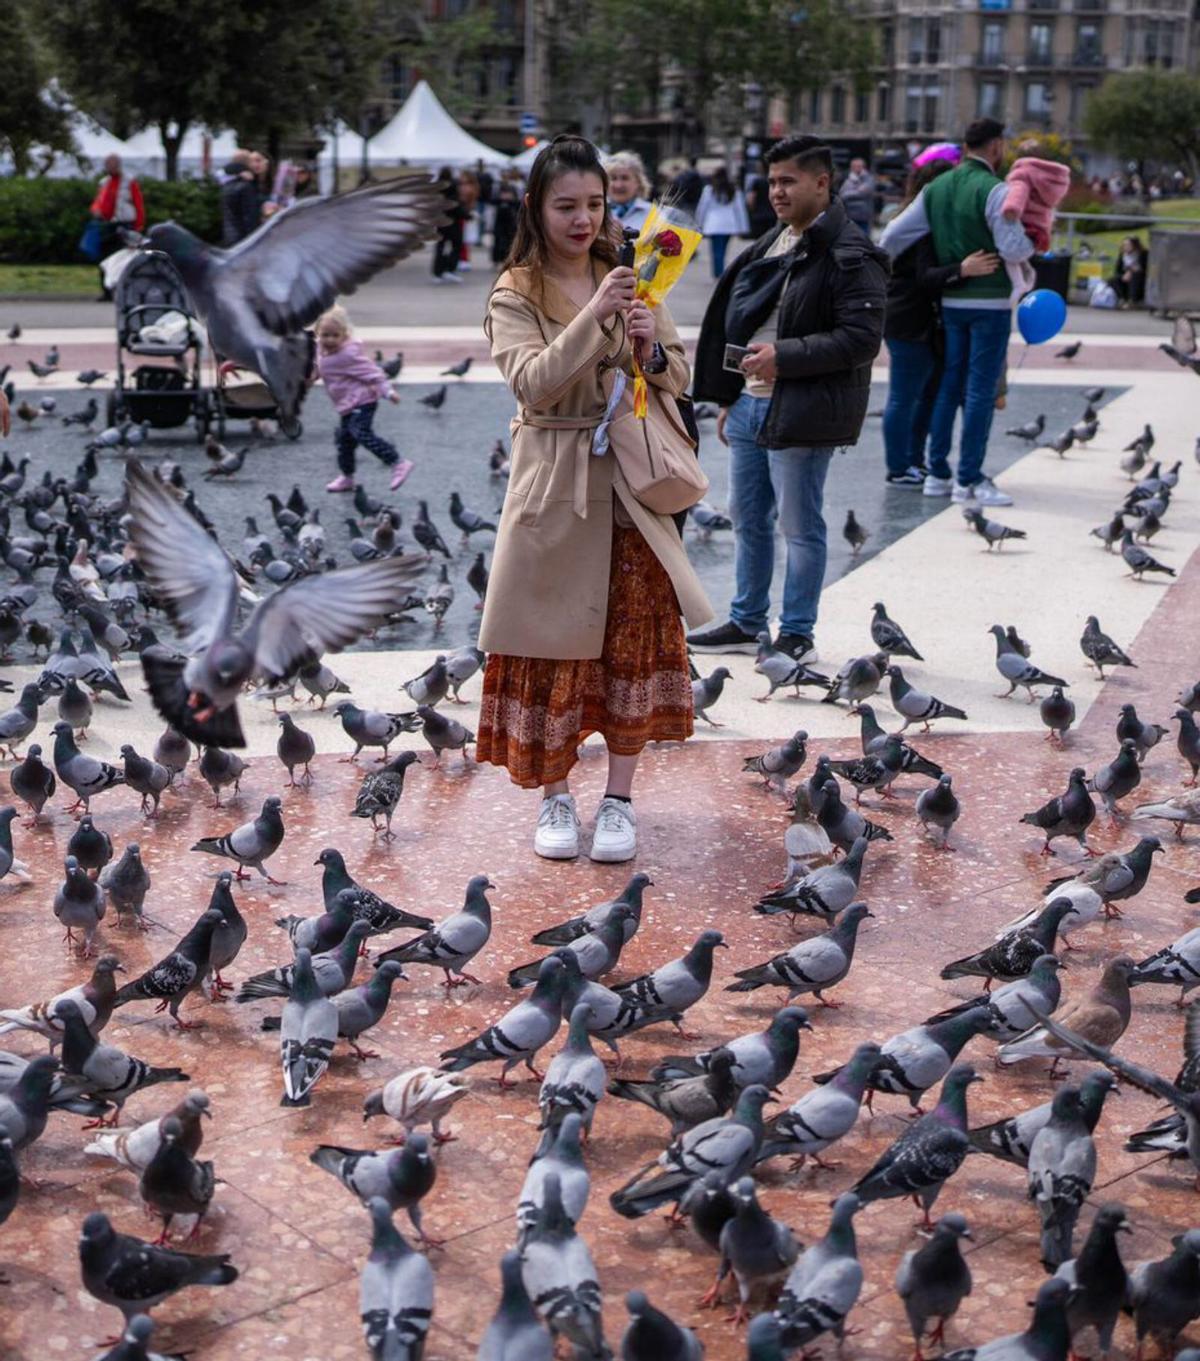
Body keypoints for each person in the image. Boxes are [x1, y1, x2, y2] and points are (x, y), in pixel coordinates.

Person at [477, 135, 711, 863]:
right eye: (566, 206)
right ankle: (554, 795)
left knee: (634, 636)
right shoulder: (514, 289)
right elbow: (532, 381)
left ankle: (618, 799)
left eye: (595, 204)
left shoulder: (633, 273)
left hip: (631, 485)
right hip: (554, 478)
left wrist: (649, 347)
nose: (583, 220)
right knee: (552, 642)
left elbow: (675, 374)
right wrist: (594, 317)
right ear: (535, 208)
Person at [687, 134, 889, 663]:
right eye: (772, 181)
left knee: (800, 525)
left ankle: (797, 631)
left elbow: (861, 340)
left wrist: (785, 356)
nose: (776, 191)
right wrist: (730, 395)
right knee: (747, 517)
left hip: (802, 405)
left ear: (822, 183)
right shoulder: (772, 242)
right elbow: (743, 320)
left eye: (788, 182)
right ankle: (748, 619)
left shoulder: (852, 253)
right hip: (752, 403)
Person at [880, 117, 1033, 507]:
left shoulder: (936, 187)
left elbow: (891, 236)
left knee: (949, 383)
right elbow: (1013, 249)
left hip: (951, 302)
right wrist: (1032, 241)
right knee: (980, 390)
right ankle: (969, 478)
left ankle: (939, 473)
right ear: (996, 146)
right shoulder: (995, 190)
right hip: (990, 299)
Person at [882, 152, 1000, 487]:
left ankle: (912, 460)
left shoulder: (914, 220)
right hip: (910, 320)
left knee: (923, 394)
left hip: (918, 321)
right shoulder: (920, 227)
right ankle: (899, 465)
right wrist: (962, 270)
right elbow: (925, 276)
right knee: (905, 396)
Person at [315, 305, 413, 494]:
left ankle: (398, 462)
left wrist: (388, 392)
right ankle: (347, 477)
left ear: (344, 335)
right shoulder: (321, 350)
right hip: (346, 405)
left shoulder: (348, 355)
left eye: (335, 335)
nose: (329, 339)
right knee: (345, 443)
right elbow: (320, 367)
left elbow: (374, 373)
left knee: (361, 433)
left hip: (363, 401)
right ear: (318, 333)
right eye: (325, 335)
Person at [89, 154, 144, 301]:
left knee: (124, 259)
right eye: (108, 165)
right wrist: (96, 210)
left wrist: (138, 226)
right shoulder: (104, 183)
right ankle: (106, 291)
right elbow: (97, 201)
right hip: (107, 225)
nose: (110, 168)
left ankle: (123, 290)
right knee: (105, 259)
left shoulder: (129, 181)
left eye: (113, 165)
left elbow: (138, 204)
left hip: (125, 224)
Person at [695, 167, 750, 278]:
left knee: (716, 250)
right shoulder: (734, 190)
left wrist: (699, 223)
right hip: (729, 224)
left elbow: (702, 208)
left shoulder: (710, 190)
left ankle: (718, 273)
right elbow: (740, 209)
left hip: (713, 224)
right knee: (723, 250)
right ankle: (720, 272)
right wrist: (743, 227)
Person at [604, 151, 654, 235]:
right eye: (613, 178)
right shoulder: (597, 211)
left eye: (625, 178)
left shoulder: (653, 215)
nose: (618, 185)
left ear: (638, 182)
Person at [220, 149, 263, 246]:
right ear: (248, 163)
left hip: (229, 236)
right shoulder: (246, 186)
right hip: (243, 239)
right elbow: (250, 217)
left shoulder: (226, 183)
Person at [431, 166, 464, 283]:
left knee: (440, 246)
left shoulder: (437, 187)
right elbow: (457, 204)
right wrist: (466, 215)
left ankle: (437, 272)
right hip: (453, 221)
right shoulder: (454, 186)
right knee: (456, 246)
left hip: (441, 221)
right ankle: (449, 269)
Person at [840, 157, 876, 232]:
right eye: (854, 166)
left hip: (863, 216)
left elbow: (864, 192)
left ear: (863, 167)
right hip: (850, 216)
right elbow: (842, 195)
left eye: (859, 166)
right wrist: (857, 190)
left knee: (864, 239)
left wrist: (850, 191)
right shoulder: (848, 179)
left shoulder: (869, 178)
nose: (856, 168)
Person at [491, 175, 520, 265]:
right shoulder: (497, 189)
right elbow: (492, 200)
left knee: (509, 239)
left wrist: (510, 199)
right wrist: (501, 199)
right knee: (497, 239)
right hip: (499, 217)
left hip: (510, 218)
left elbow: (518, 203)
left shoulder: (513, 189)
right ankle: (496, 259)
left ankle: (508, 259)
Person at [1111, 236, 1147, 305]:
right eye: (1124, 245)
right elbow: (1117, 270)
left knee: (1135, 277)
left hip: (1139, 276)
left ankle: (1133, 301)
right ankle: (1122, 299)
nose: (1125, 247)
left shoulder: (1142, 254)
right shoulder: (1122, 255)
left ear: (1134, 245)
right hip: (1125, 276)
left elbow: (1145, 268)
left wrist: (1131, 272)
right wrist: (1123, 275)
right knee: (1113, 279)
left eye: (1128, 245)